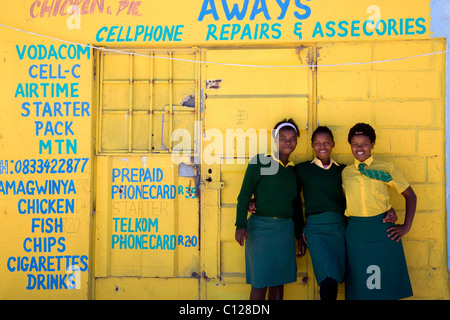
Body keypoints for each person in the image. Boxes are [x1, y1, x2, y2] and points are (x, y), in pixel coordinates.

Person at [342, 123, 417, 300]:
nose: (359, 148)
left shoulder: (386, 168)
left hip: (382, 232)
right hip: (356, 233)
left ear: (373, 144)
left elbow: (411, 196)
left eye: (364, 144)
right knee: (361, 286)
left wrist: (406, 226)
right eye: (355, 144)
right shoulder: (346, 172)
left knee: (384, 285)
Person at [235, 118, 304, 300]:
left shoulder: (292, 171)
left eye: (292, 138)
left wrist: (299, 236)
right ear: (275, 140)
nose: (288, 142)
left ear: (297, 141)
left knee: (278, 282)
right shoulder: (260, 162)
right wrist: (240, 225)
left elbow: (296, 206)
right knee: (260, 282)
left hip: (284, 230)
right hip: (260, 230)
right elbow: (244, 195)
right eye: (283, 137)